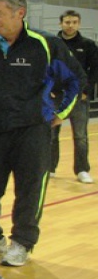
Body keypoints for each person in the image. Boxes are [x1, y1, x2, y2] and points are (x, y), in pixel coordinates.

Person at [0, 0, 85, 266]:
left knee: (30, 189)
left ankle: (22, 242)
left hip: (32, 130)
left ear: (19, 12)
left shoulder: (45, 44)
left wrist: (62, 112)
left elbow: (76, 79)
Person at [51, 10, 98, 183]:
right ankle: (50, 168)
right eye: (67, 22)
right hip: (55, 96)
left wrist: (86, 91)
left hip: (79, 97)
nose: (70, 25)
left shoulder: (88, 45)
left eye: (74, 22)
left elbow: (95, 70)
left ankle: (82, 170)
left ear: (79, 24)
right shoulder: (53, 44)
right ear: (61, 23)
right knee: (51, 134)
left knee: (80, 136)